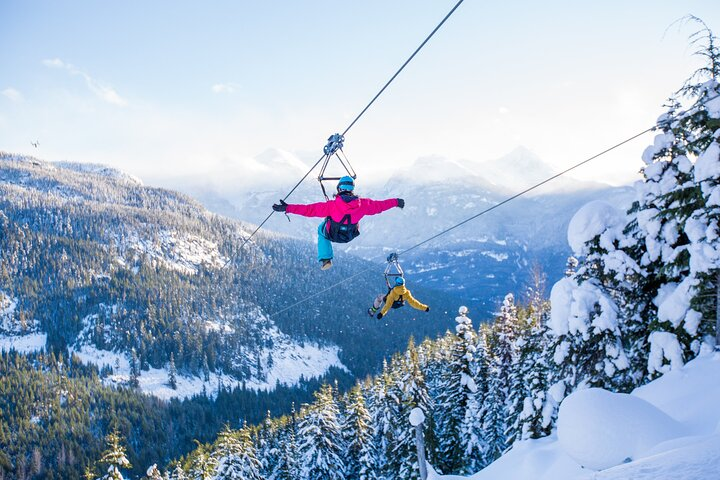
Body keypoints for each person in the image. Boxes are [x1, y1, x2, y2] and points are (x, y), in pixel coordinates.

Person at [273, 176, 404, 270]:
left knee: (321, 230)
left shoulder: (331, 206)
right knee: (339, 224)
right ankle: (326, 259)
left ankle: (326, 259)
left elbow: (309, 210)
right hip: (349, 235)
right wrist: (396, 202)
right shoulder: (363, 205)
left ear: (339, 189)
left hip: (332, 234)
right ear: (352, 189)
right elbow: (380, 206)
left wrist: (287, 208)